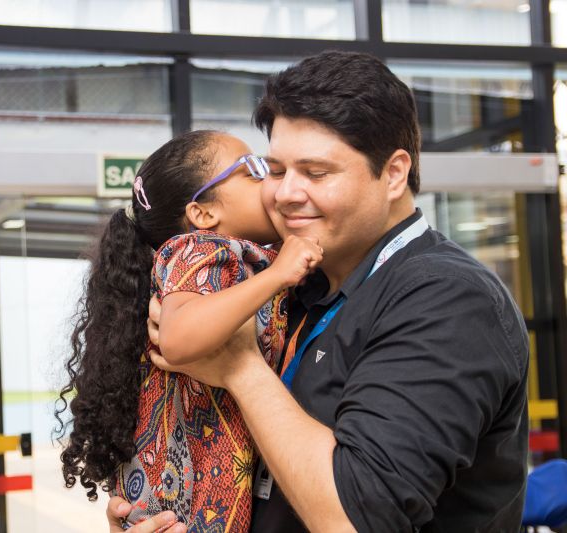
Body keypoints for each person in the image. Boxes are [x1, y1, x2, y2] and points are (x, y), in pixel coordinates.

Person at [108, 50, 529, 532]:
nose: (286, 193)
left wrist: (240, 366)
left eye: (316, 172)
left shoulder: (449, 299)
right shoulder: (291, 284)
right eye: (276, 170)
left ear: (393, 174)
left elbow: (355, 520)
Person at [56, 129, 323, 530]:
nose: (272, 181)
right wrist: (279, 275)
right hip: (180, 501)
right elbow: (177, 340)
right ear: (203, 214)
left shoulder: (247, 257)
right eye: (253, 170)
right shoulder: (196, 250)